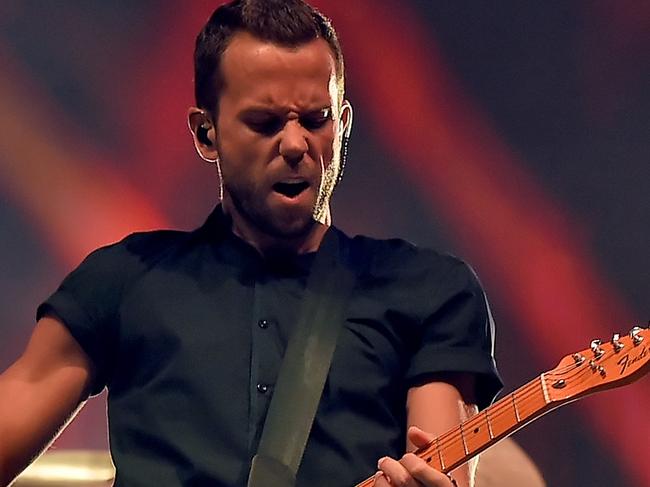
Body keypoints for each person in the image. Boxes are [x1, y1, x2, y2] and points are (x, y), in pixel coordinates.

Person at [0, 1, 502, 486]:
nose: (294, 144)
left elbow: (441, 460)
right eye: (264, 123)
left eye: (315, 120)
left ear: (343, 126)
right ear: (206, 133)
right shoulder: (123, 278)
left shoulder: (430, 289)